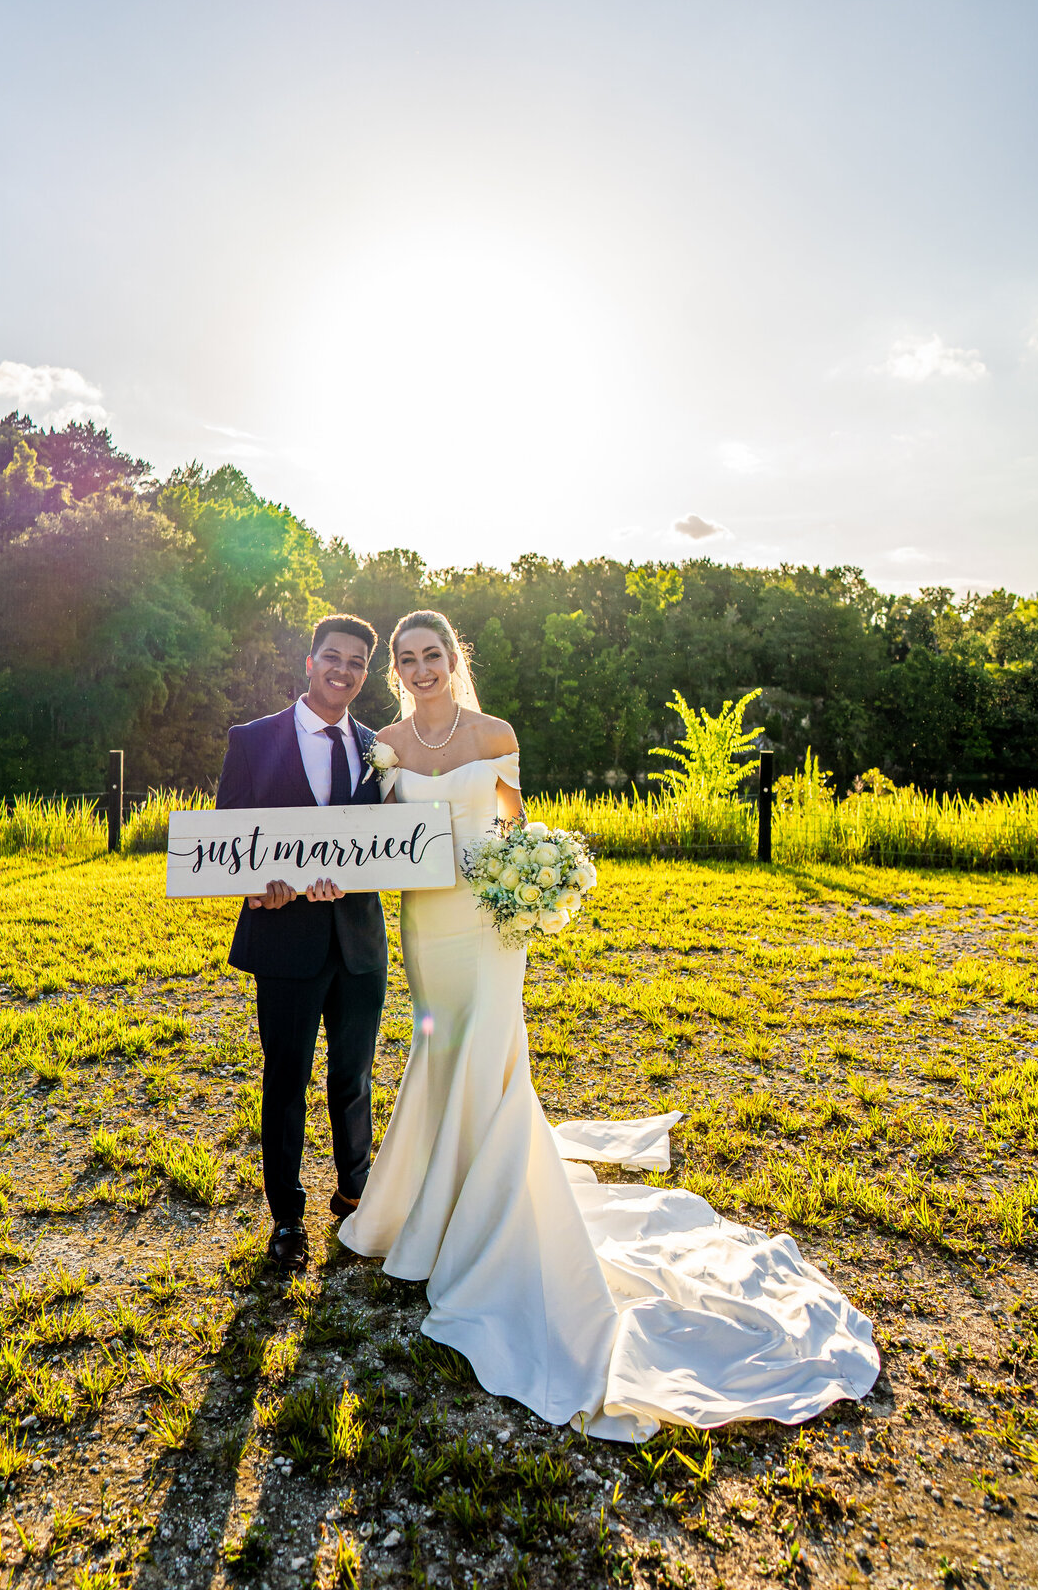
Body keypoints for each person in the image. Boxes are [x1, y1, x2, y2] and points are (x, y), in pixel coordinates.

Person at [340, 609, 880, 1441]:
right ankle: (429, 1204)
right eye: (407, 660)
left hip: (487, 926)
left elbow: (519, 828)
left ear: (455, 658)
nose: (419, 669)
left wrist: (534, 881)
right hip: (424, 925)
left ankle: (490, 1217)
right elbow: (368, 840)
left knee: (490, 1049)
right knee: (438, 1050)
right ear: (397, 671)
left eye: (432, 656)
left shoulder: (495, 734)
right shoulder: (383, 743)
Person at [216, 615, 387, 1274]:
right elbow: (229, 837)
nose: (343, 671)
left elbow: (391, 843)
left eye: (356, 663)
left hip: (359, 943)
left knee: (354, 1078)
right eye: (332, 658)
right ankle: (286, 1218)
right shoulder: (254, 740)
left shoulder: (380, 747)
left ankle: (354, 1194)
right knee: (285, 1082)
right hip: (285, 939)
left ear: (365, 674)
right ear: (310, 662)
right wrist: (261, 886)